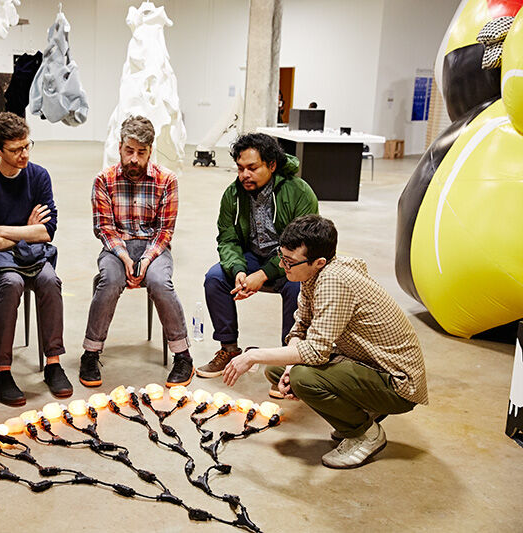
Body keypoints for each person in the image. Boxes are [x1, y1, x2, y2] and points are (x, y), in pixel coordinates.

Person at [222, 215, 428, 469]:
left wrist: (252, 355)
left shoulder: (334, 281)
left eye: (290, 262)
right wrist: (288, 366)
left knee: (303, 378)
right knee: (279, 370)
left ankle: (365, 433)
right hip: (365, 364)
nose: (283, 266)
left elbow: (316, 352)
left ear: (318, 262)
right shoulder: (313, 274)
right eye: (281, 257)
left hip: (397, 384)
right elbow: (301, 327)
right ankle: (360, 413)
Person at [0, 112, 72, 406]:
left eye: (27, 146)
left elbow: (47, 231)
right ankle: (2, 370)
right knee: (11, 283)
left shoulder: (38, 176)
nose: (24, 154)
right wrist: (27, 229)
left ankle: (53, 363)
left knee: (50, 280)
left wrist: (1, 229)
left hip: (32, 257)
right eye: (16, 149)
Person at [80, 115, 193, 389]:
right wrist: (125, 257)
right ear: (120, 147)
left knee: (159, 282)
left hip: (154, 246)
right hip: (116, 246)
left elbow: (165, 231)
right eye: (129, 151)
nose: (134, 159)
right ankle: (91, 353)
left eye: (141, 153)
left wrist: (145, 260)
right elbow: (105, 229)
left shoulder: (167, 180)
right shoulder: (103, 180)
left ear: (150, 152)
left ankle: (183, 355)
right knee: (109, 280)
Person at [198, 133, 317, 383]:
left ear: (271, 165)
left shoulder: (299, 191)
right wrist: (239, 270)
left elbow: (303, 247)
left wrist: (262, 275)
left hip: (290, 263)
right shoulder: (232, 195)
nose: (244, 175)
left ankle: (288, 363)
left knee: (298, 288)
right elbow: (227, 239)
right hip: (252, 257)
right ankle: (229, 350)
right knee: (215, 279)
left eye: (252, 168)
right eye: (240, 168)